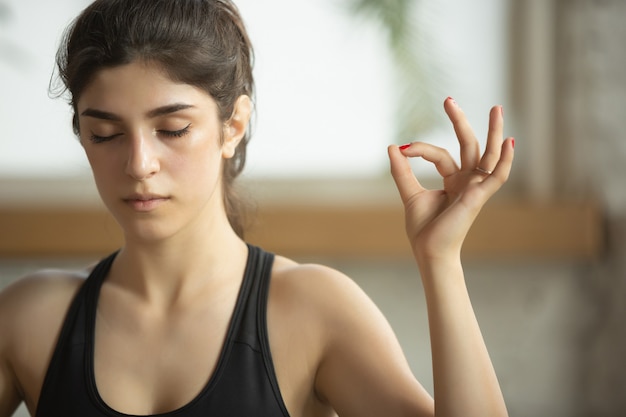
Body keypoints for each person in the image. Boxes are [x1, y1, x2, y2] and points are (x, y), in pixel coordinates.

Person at [0, 0, 515, 416]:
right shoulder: (30, 318)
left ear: (234, 124)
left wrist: (441, 260)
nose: (139, 163)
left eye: (172, 129)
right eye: (105, 134)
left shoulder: (313, 310)